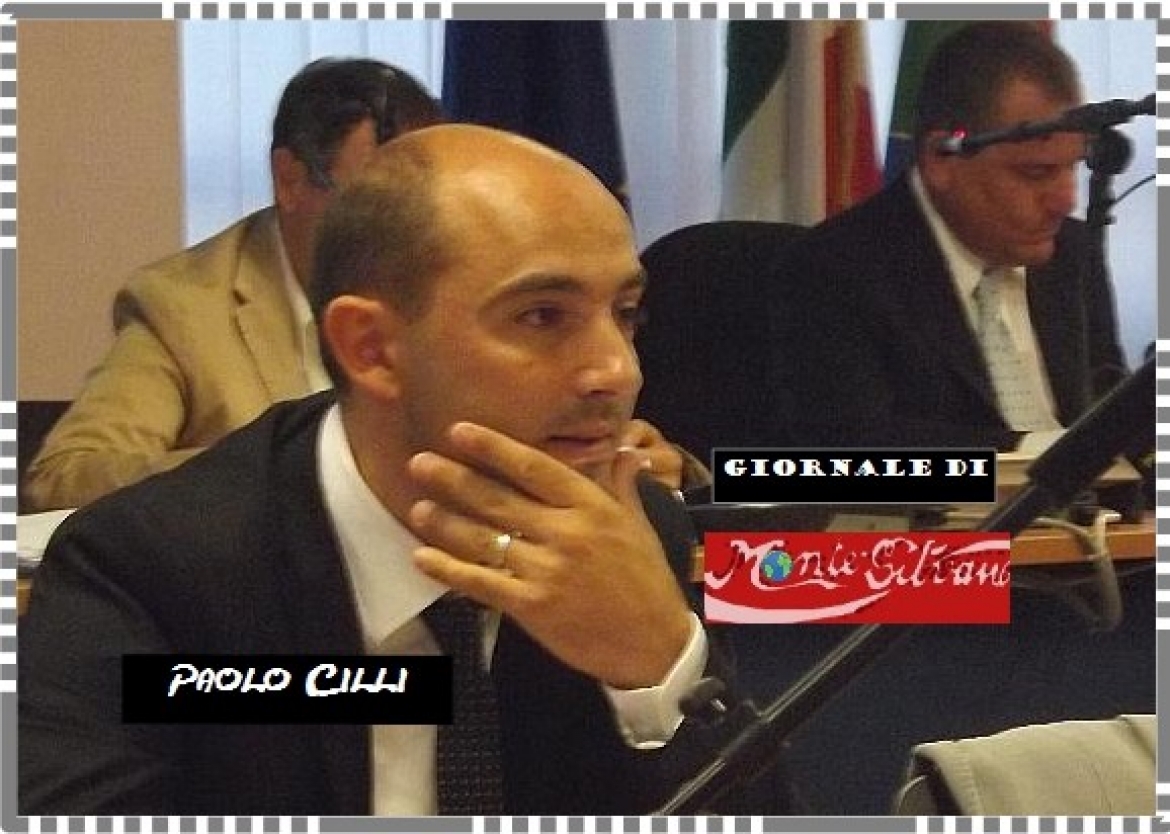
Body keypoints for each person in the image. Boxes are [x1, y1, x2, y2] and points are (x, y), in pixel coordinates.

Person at [18, 125, 753, 816]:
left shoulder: (628, 536)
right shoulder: (154, 572)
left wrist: (660, 666)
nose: (617, 371)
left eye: (626, 313)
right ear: (370, 348)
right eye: (541, 316)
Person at [22, 58, 697, 512]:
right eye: (377, 188)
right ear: (290, 180)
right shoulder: (184, 305)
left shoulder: (486, 288)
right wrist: (300, 472)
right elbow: (66, 476)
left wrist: (645, 467)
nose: (413, 219)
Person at [767, 22, 1126, 451]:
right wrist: (1040, 456)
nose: (1065, 200)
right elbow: (853, 452)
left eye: (1072, 167)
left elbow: (1107, 400)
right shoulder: (835, 270)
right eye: (1036, 172)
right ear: (942, 158)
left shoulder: (1072, 250)